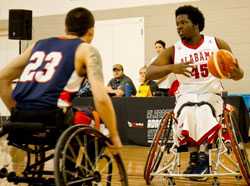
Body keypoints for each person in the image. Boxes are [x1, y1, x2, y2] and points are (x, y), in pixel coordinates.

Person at [0, 7, 122, 151]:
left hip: (20, 115)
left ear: (66, 27)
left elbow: (2, 78)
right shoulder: (86, 50)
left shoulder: (38, 45)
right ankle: (73, 172)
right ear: (91, 30)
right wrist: (114, 134)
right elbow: (101, 99)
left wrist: (16, 112)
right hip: (52, 117)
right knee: (92, 121)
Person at [145, 5, 244, 177]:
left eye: (184, 22)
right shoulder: (174, 50)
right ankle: (194, 159)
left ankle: (203, 158)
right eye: (177, 23)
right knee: (189, 111)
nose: (179, 27)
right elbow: (149, 73)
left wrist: (233, 71)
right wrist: (172, 67)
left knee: (203, 109)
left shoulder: (217, 44)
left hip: (211, 94)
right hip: (186, 95)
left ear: (196, 24)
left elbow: (239, 75)